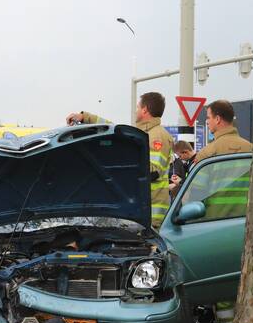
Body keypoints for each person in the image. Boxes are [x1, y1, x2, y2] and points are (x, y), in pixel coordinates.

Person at [67, 91, 173, 228]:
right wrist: (85, 117)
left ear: (145, 110)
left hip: (152, 215)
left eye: (137, 107)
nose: (136, 111)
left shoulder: (157, 136)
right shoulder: (145, 133)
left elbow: (152, 172)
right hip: (142, 211)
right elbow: (113, 130)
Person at [192, 100, 252, 323]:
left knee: (221, 282)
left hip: (216, 228)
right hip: (247, 226)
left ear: (218, 119)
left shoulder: (209, 152)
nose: (207, 122)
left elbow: (195, 195)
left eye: (208, 118)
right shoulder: (251, 148)